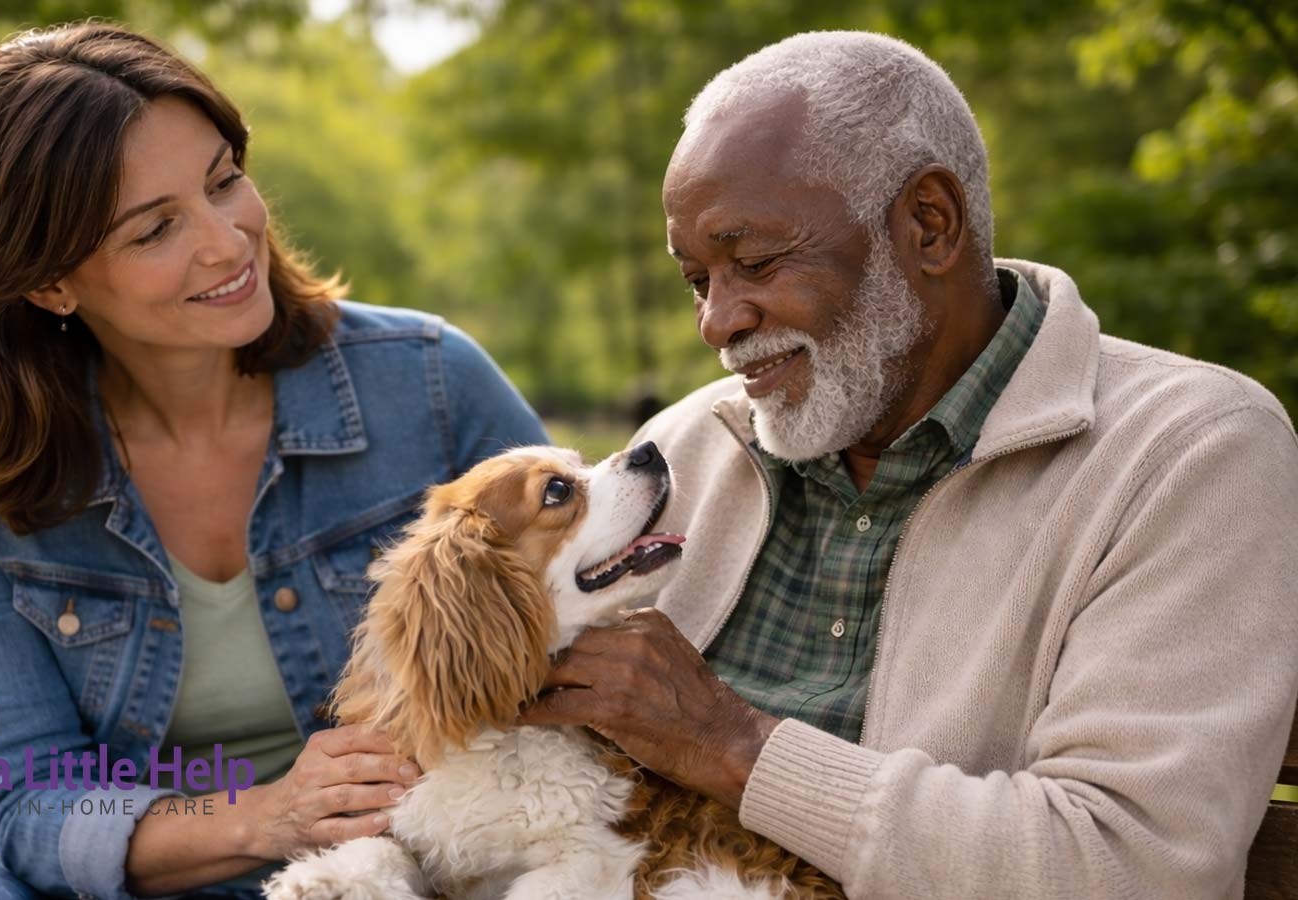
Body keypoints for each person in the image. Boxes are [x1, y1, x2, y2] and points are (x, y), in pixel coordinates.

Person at [521, 31, 1298, 899]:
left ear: (929, 223)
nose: (716, 322)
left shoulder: (1189, 451)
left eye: (754, 261)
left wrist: (731, 745)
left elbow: (1138, 865)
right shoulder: (688, 449)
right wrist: (366, 787)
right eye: (697, 279)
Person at [0, 22, 548, 900]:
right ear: (49, 283)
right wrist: (266, 818)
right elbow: (31, 798)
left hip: (386, 853)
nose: (229, 241)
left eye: (225, 180)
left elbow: (593, 609)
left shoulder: (430, 383)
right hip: (83, 868)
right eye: (155, 230)